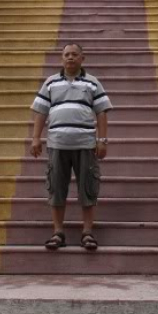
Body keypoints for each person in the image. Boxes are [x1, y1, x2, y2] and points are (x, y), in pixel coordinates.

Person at [30, 42, 112, 252]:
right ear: (61, 58)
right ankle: (58, 232)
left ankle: (87, 233)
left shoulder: (93, 83)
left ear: (82, 58)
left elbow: (102, 112)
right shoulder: (50, 83)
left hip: (85, 144)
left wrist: (102, 141)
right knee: (56, 188)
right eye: (67, 54)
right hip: (57, 144)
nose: (70, 58)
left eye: (75, 54)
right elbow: (41, 111)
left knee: (87, 187)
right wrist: (36, 138)